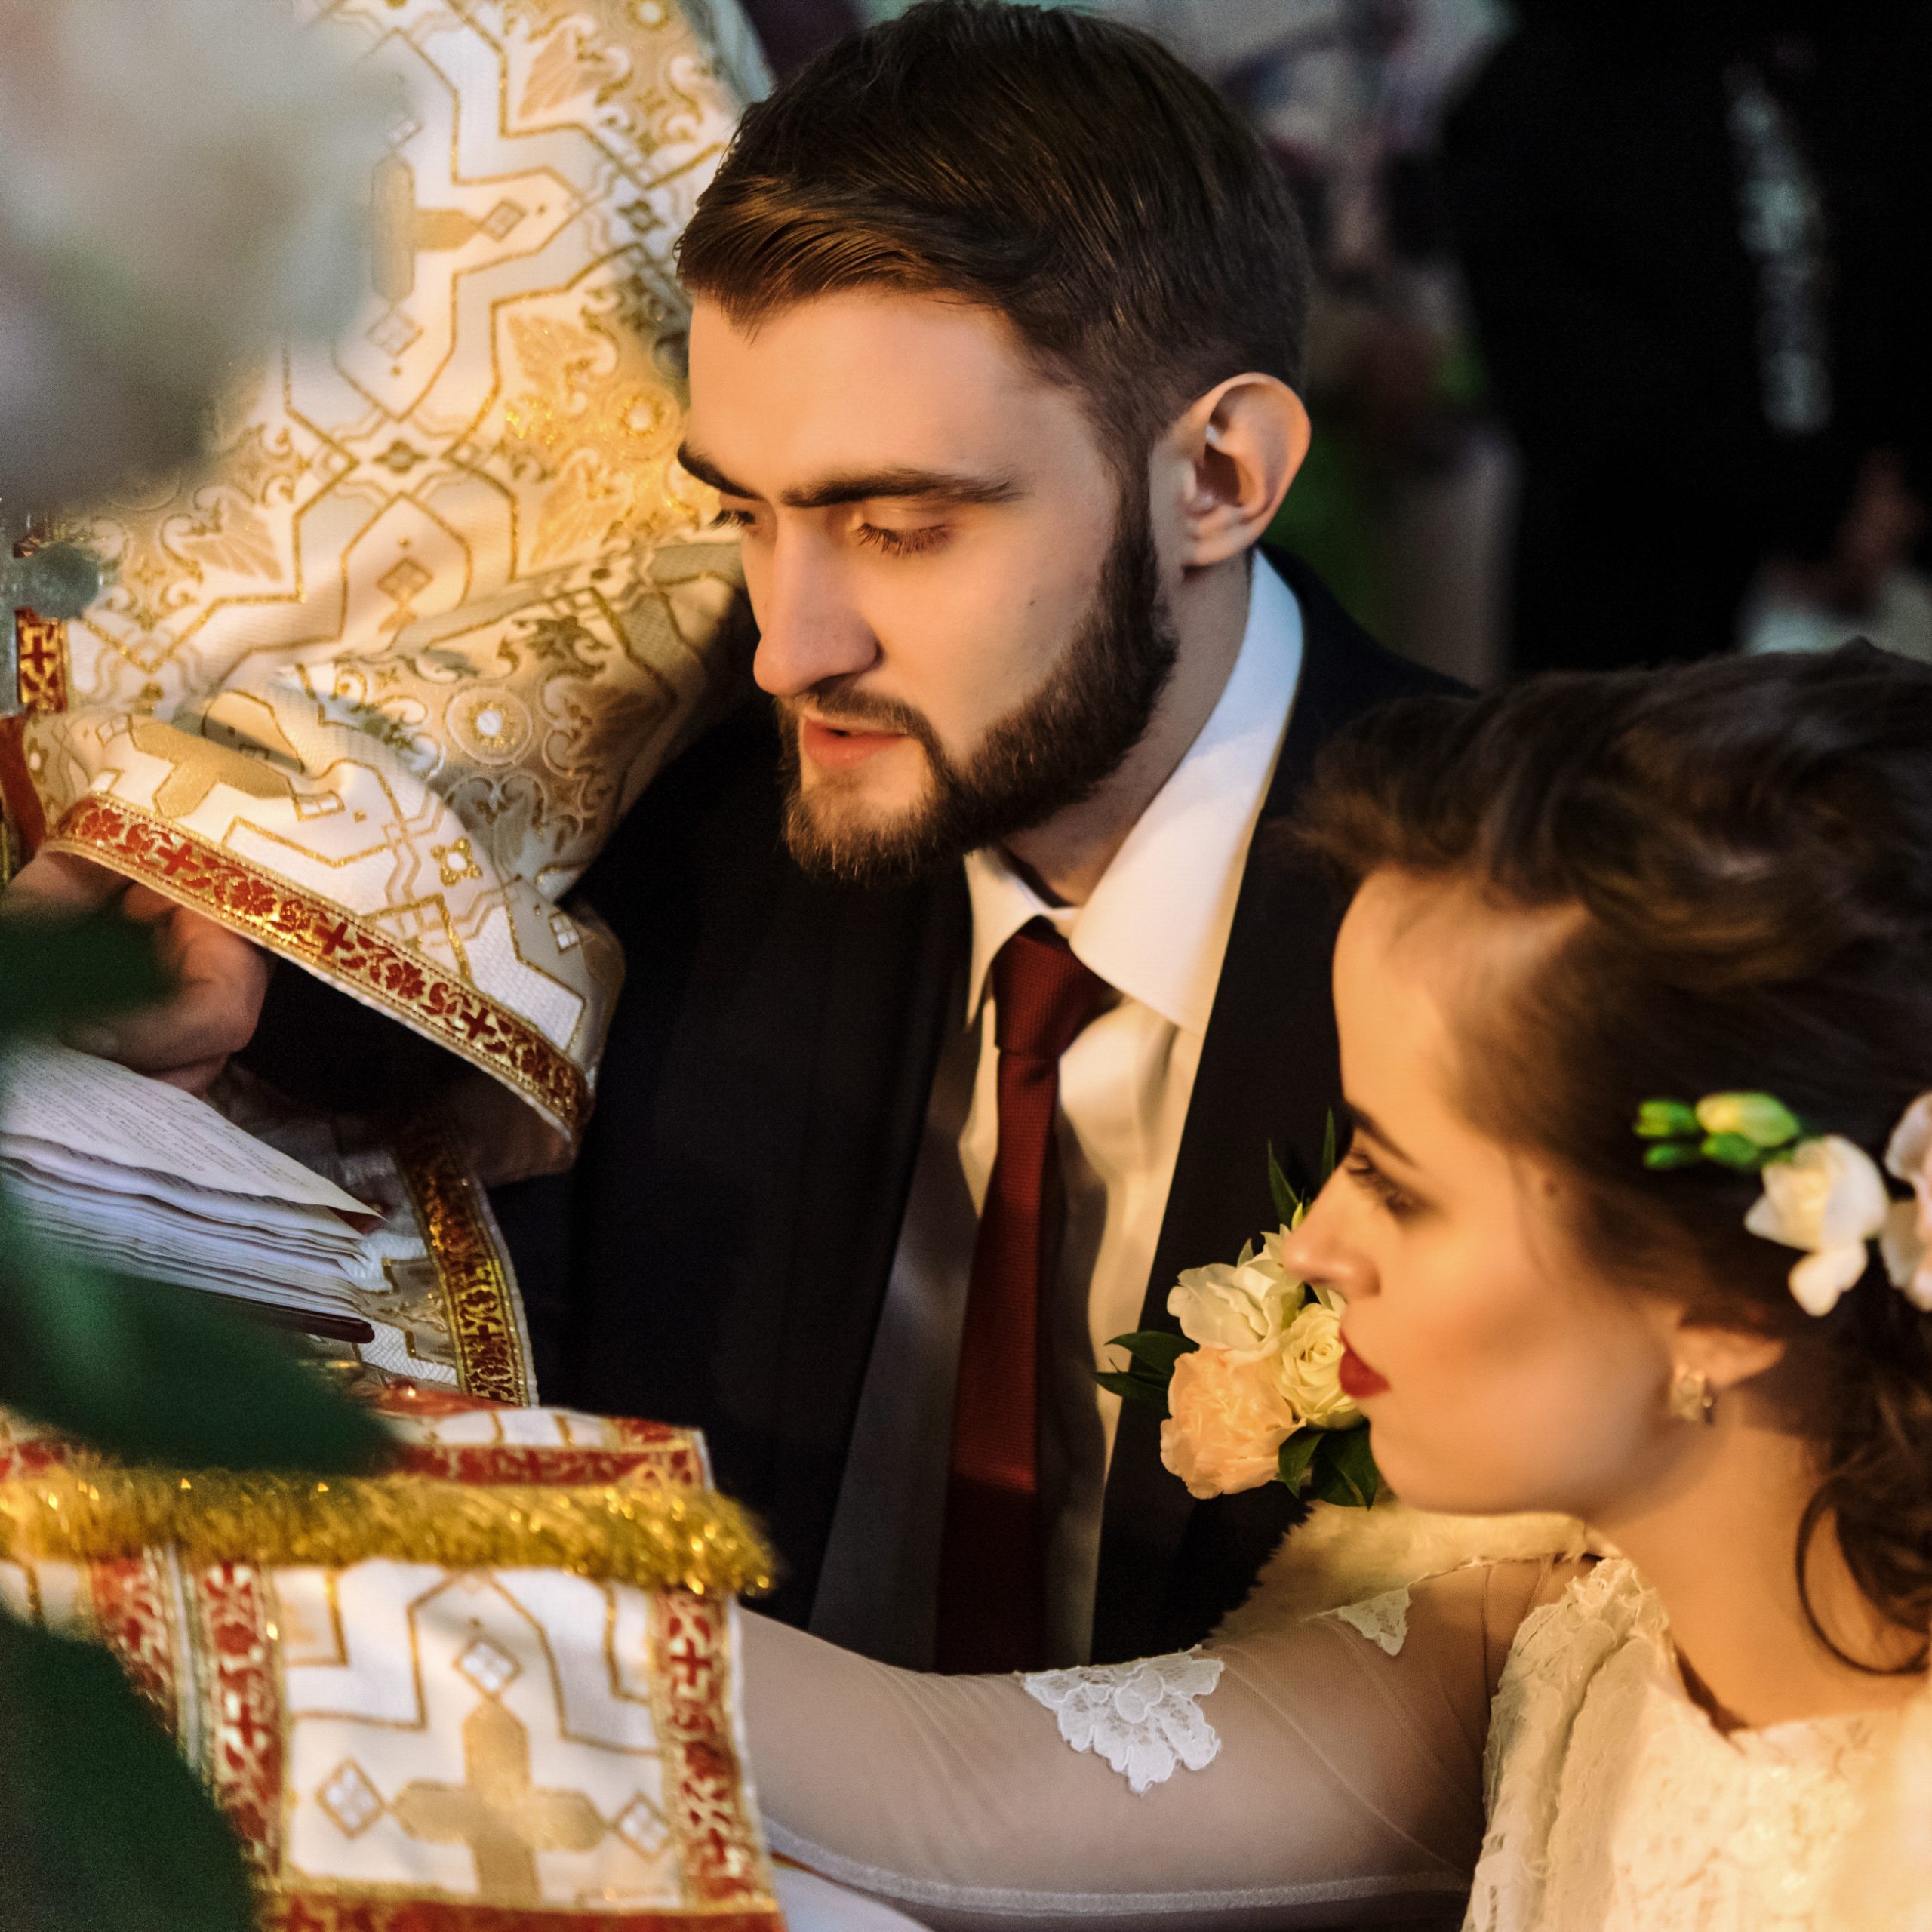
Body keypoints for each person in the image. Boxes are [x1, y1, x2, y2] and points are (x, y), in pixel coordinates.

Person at [489, 0, 1455, 1673]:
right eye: (745, 513)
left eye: (899, 526)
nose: (790, 644)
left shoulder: (1517, 919)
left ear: (1218, 475)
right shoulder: (679, 866)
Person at [728, 641, 1932, 1932]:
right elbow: (960, 1788)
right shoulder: (1581, 1634)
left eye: (1400, 1184)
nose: (1312, 1245)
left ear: (1736, 1299)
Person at [1443, 0, 1932, 674]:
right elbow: (1568, 379)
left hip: (1886, 590)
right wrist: (1813, 503)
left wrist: (1887, 498)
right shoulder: (1541, 85)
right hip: (1639, 632)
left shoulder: (1882, 47)